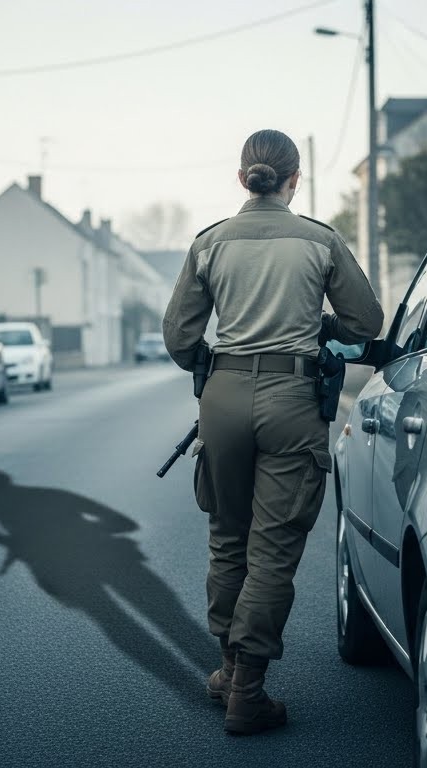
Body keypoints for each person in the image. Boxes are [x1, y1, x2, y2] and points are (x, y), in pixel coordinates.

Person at [163, 129, 383, 735]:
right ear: (294, 180)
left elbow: (180, 337)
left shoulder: (208, 243)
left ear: (242, 179)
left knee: (227, 539)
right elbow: (366, 322)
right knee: (273, 550)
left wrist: (219, 364)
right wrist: (320, 326)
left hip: (223, 396)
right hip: (293, 399)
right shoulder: (320, 240)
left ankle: (228, 671)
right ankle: (248, 692)